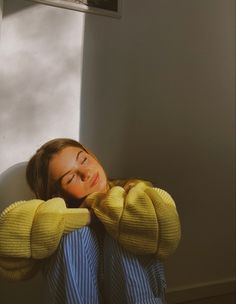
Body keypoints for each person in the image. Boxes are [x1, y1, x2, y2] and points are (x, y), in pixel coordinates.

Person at [0, 138, 181, 304]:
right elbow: (6, 248)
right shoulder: (53, 217)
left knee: (125, 225)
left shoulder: (135, 191)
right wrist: (85, 216)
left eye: (84, 159)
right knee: (73, 234)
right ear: (57, 194)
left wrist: (96, 202)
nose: (86, 173)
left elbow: (167, 235)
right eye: (70, 178)